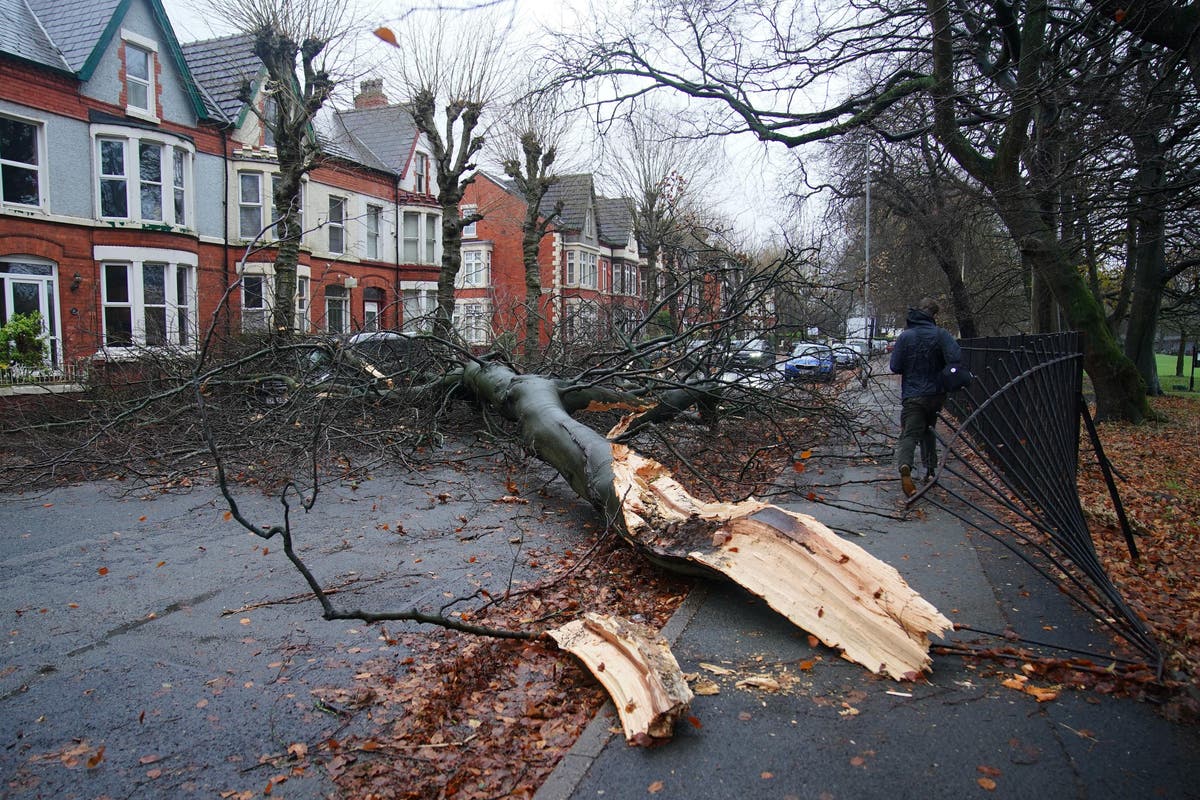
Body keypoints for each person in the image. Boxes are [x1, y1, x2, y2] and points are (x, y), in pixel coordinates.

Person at [889, 297, 961, 497]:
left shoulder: (906, 337)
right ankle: (929, 470)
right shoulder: (941, 335)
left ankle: (905, 465)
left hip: (913, 393)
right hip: (936, 393)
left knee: (910, 433)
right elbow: (955, 358)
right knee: (929, 429)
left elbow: (895, 366)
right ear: (933, 315)